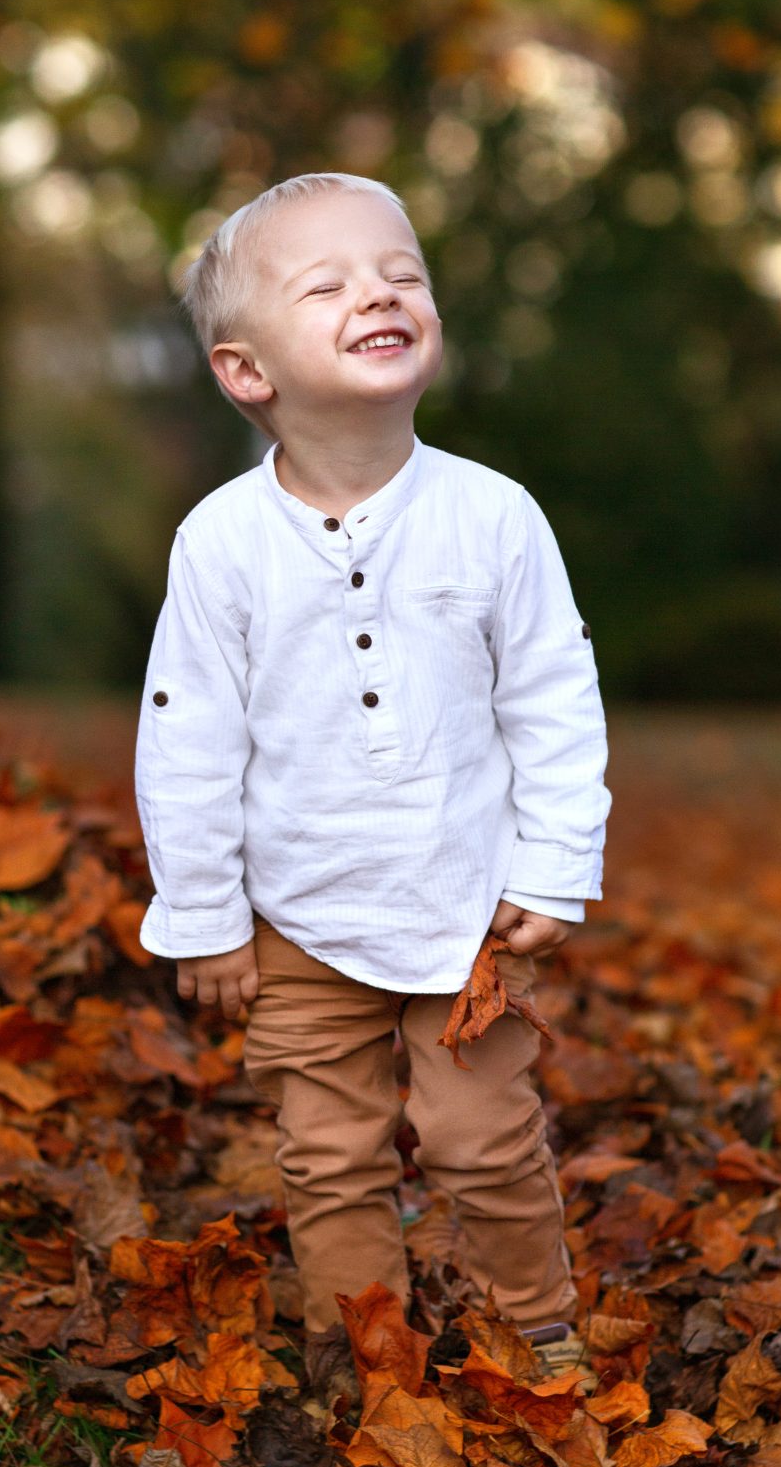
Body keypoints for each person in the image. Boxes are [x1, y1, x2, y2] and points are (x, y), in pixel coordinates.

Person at [134, 171, 612, 1379]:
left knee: (482, 1138)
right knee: (328, 1152)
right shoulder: (221, 543)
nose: (379, 292)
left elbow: (554, 701)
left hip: (463, 907)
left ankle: (536, 1327)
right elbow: (187, 738)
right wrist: (203, 915)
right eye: (331, 283)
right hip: (296, 915)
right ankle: (367, 1354)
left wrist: (554, 867)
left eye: (402, 273)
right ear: (249, 371)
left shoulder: (493, 516)